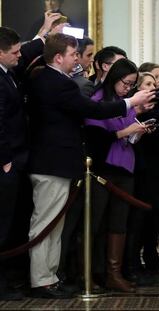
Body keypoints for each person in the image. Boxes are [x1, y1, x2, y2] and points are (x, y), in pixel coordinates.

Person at [26, 33, 155, 299]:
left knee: (54, 225)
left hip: (59, 162)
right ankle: (41, 280)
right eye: (74, 54)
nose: (78, 59)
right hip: (52, 162)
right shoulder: (54, 81)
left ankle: (49, 277)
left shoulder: (57, 80)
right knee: (45, 224)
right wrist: (132, 102)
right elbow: (93, 111)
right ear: (59, 57)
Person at [0, 13, 61, 301]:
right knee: (2, 224)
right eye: (13, 52)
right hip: (6, 162)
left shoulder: (7, 72)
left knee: (12, 223)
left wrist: (44, 33)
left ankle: (9, 279)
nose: (18, 56)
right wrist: (5, 158)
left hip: (17, 159)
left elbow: (25, 56)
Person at [85, 58, 149, 293]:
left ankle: (114, 273)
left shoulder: (125, 102)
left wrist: (135, 133)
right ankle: (88, 273)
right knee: (95, 223)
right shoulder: (97, 101)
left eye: (132, 85)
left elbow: (127, 129)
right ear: (114, 78)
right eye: (126, 83)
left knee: (119, 223)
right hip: (103, 168)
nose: (128, 89)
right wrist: (125, 131)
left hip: (124, 167)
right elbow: (95, 140)